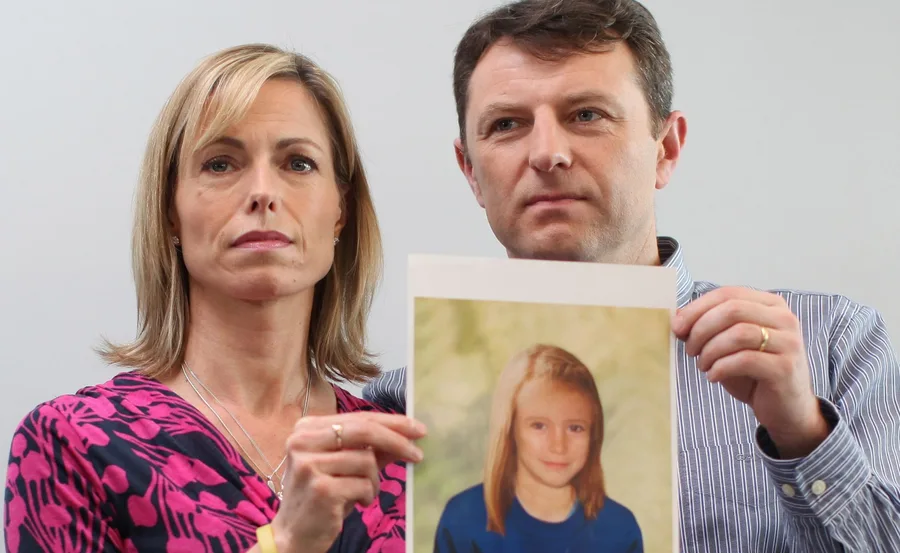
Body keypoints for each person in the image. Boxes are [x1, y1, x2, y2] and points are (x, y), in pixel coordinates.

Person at [363, 0, 900, 551]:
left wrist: (803, 434)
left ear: (666, 148)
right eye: (507, 124)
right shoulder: (399, 408)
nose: (547, 153)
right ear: (471, 172)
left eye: (586, 114)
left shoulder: (832, 342)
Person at [4, 43, 426, 553]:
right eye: (221, 164)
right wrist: (287, 543)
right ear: (170, 213)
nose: (263, 192)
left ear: (341, 211)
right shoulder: (75, 444)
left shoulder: (403, 453)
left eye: (298, 162)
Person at [433, 344, 643, 553]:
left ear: (594, 434)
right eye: (539, 425)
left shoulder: (620, 530)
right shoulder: (463, 521)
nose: (558, 445)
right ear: (509, 430)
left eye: (575, 428)